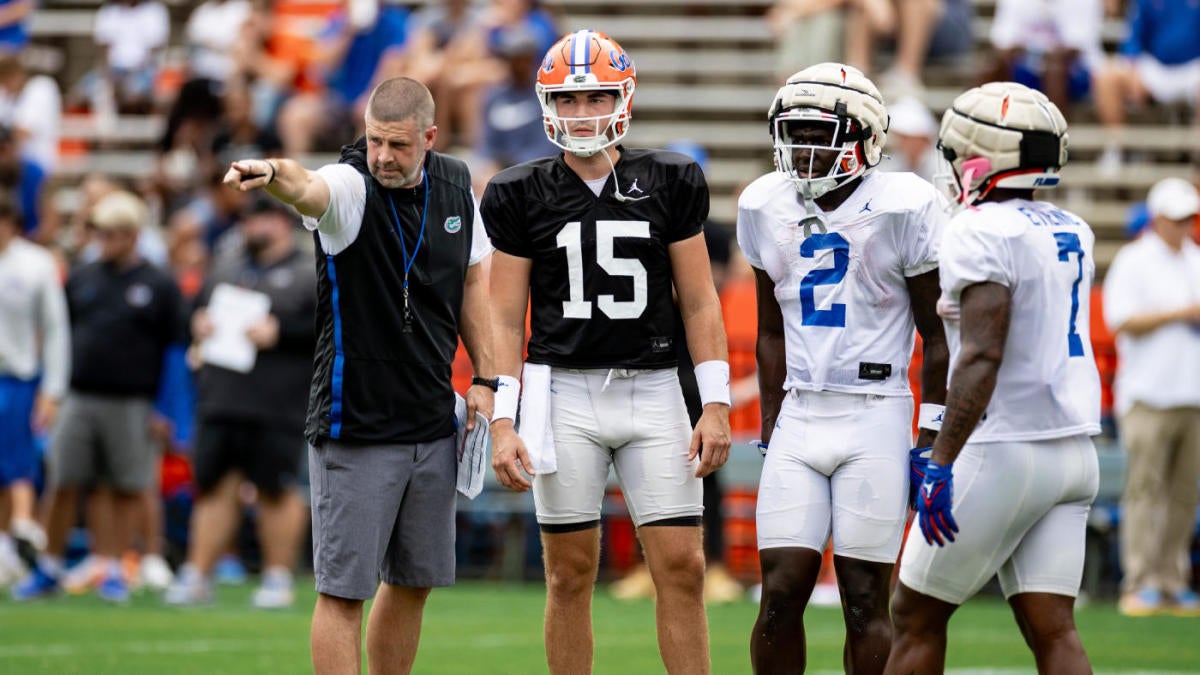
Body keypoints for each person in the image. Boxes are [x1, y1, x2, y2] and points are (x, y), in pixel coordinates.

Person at [222, 76, 495, 675]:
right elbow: (308, 185)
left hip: (432, 419)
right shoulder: (350, 185)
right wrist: (272, 172)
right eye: (373, 141)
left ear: (430, 137)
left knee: (414, 582)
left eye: (398, 145)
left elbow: (475, 284)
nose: (382, 157)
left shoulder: (455, 185)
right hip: (358, 422)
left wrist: (489, 380)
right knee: (344, 592)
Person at [483, 30, 732, 675]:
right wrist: (504, 418)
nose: (583, 111)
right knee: (569, 574)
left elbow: (701, 301)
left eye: (596, 95)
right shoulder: (516, 191)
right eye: (568, 99)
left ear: (623, 98)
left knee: (682, 566)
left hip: (653, 388)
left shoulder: (671, 178)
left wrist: (716, 403)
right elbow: (505, 317)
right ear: (547, 106)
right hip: (562, 391)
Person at [737, 62, 948, 674]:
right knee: (780, 591)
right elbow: (770, 326)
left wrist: (930, 438)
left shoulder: (905, 204)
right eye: (793, 132)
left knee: (863, 597)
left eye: (817, 132)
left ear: (865, 137)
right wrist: (774, 424)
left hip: (877, 412)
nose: (801, 147)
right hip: (802, 410)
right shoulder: (763, 203)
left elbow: (937, 337)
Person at [885, 81, 1100, 674]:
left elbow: (982, 355)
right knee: (1054, 629)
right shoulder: (1069, 225)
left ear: (980, 160)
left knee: (914, 616)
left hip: (1004, 448)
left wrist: (941, 460)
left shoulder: (980, 229)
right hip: (1074, 454)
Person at [13, 190, 185, 604]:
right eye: (100, 233)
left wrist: (167, 408)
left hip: (132, 401)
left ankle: (112, 567)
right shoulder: (83, 276)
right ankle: (49, 566)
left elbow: (174, 351)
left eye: (111, 234)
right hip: (79, 395)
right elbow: (58, 336)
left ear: (132, 235)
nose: (103, 241)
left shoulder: (159, 284)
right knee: (63, 481)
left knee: (124, 487)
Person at [165, 195, 316, 609]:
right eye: (247, 221)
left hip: (277, 402)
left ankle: (277, 577)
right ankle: (198, 573)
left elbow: (329, 330)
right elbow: (193, 318)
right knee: (214, 486)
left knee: (274, 488)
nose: (252, 228)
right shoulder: (227, 268)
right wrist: (198, 323)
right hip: (222, 397)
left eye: (261, 219)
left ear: (283, 223)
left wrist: (281, 333)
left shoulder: (308, 273)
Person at [1103, 177, 1200, 617]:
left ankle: (1171, 580)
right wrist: (1180, 314)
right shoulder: (1134, 260)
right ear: (1158, 219)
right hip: (1147, 394)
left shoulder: (1195, 260)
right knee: (1145, 490)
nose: (1183, 227)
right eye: (1177, 219)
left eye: (1187, 219)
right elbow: (1122, 320)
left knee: (1183, 494)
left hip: (1191, 393)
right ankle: (1140, 580)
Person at [0, 197, 67, 584]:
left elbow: (55, 329)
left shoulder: (36, 264)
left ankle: (23, 529)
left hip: (17, 377)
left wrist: (52, 388)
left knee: (16, 463)